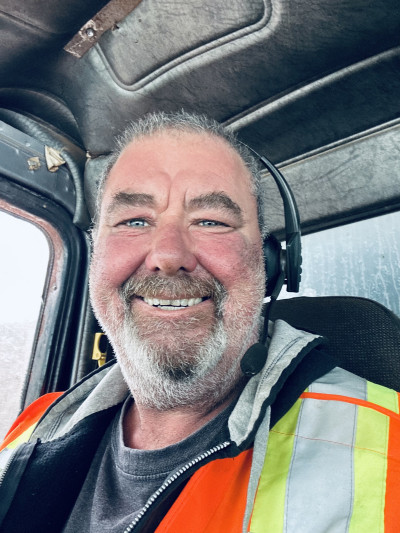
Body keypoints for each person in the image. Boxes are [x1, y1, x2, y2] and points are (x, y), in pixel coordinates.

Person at [0, 111, 399, 533]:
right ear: (98, 256)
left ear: (270, 264)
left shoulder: (386, 448)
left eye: (211, 222)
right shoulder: (37, 426)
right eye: (134, 221)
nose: (168, 255)